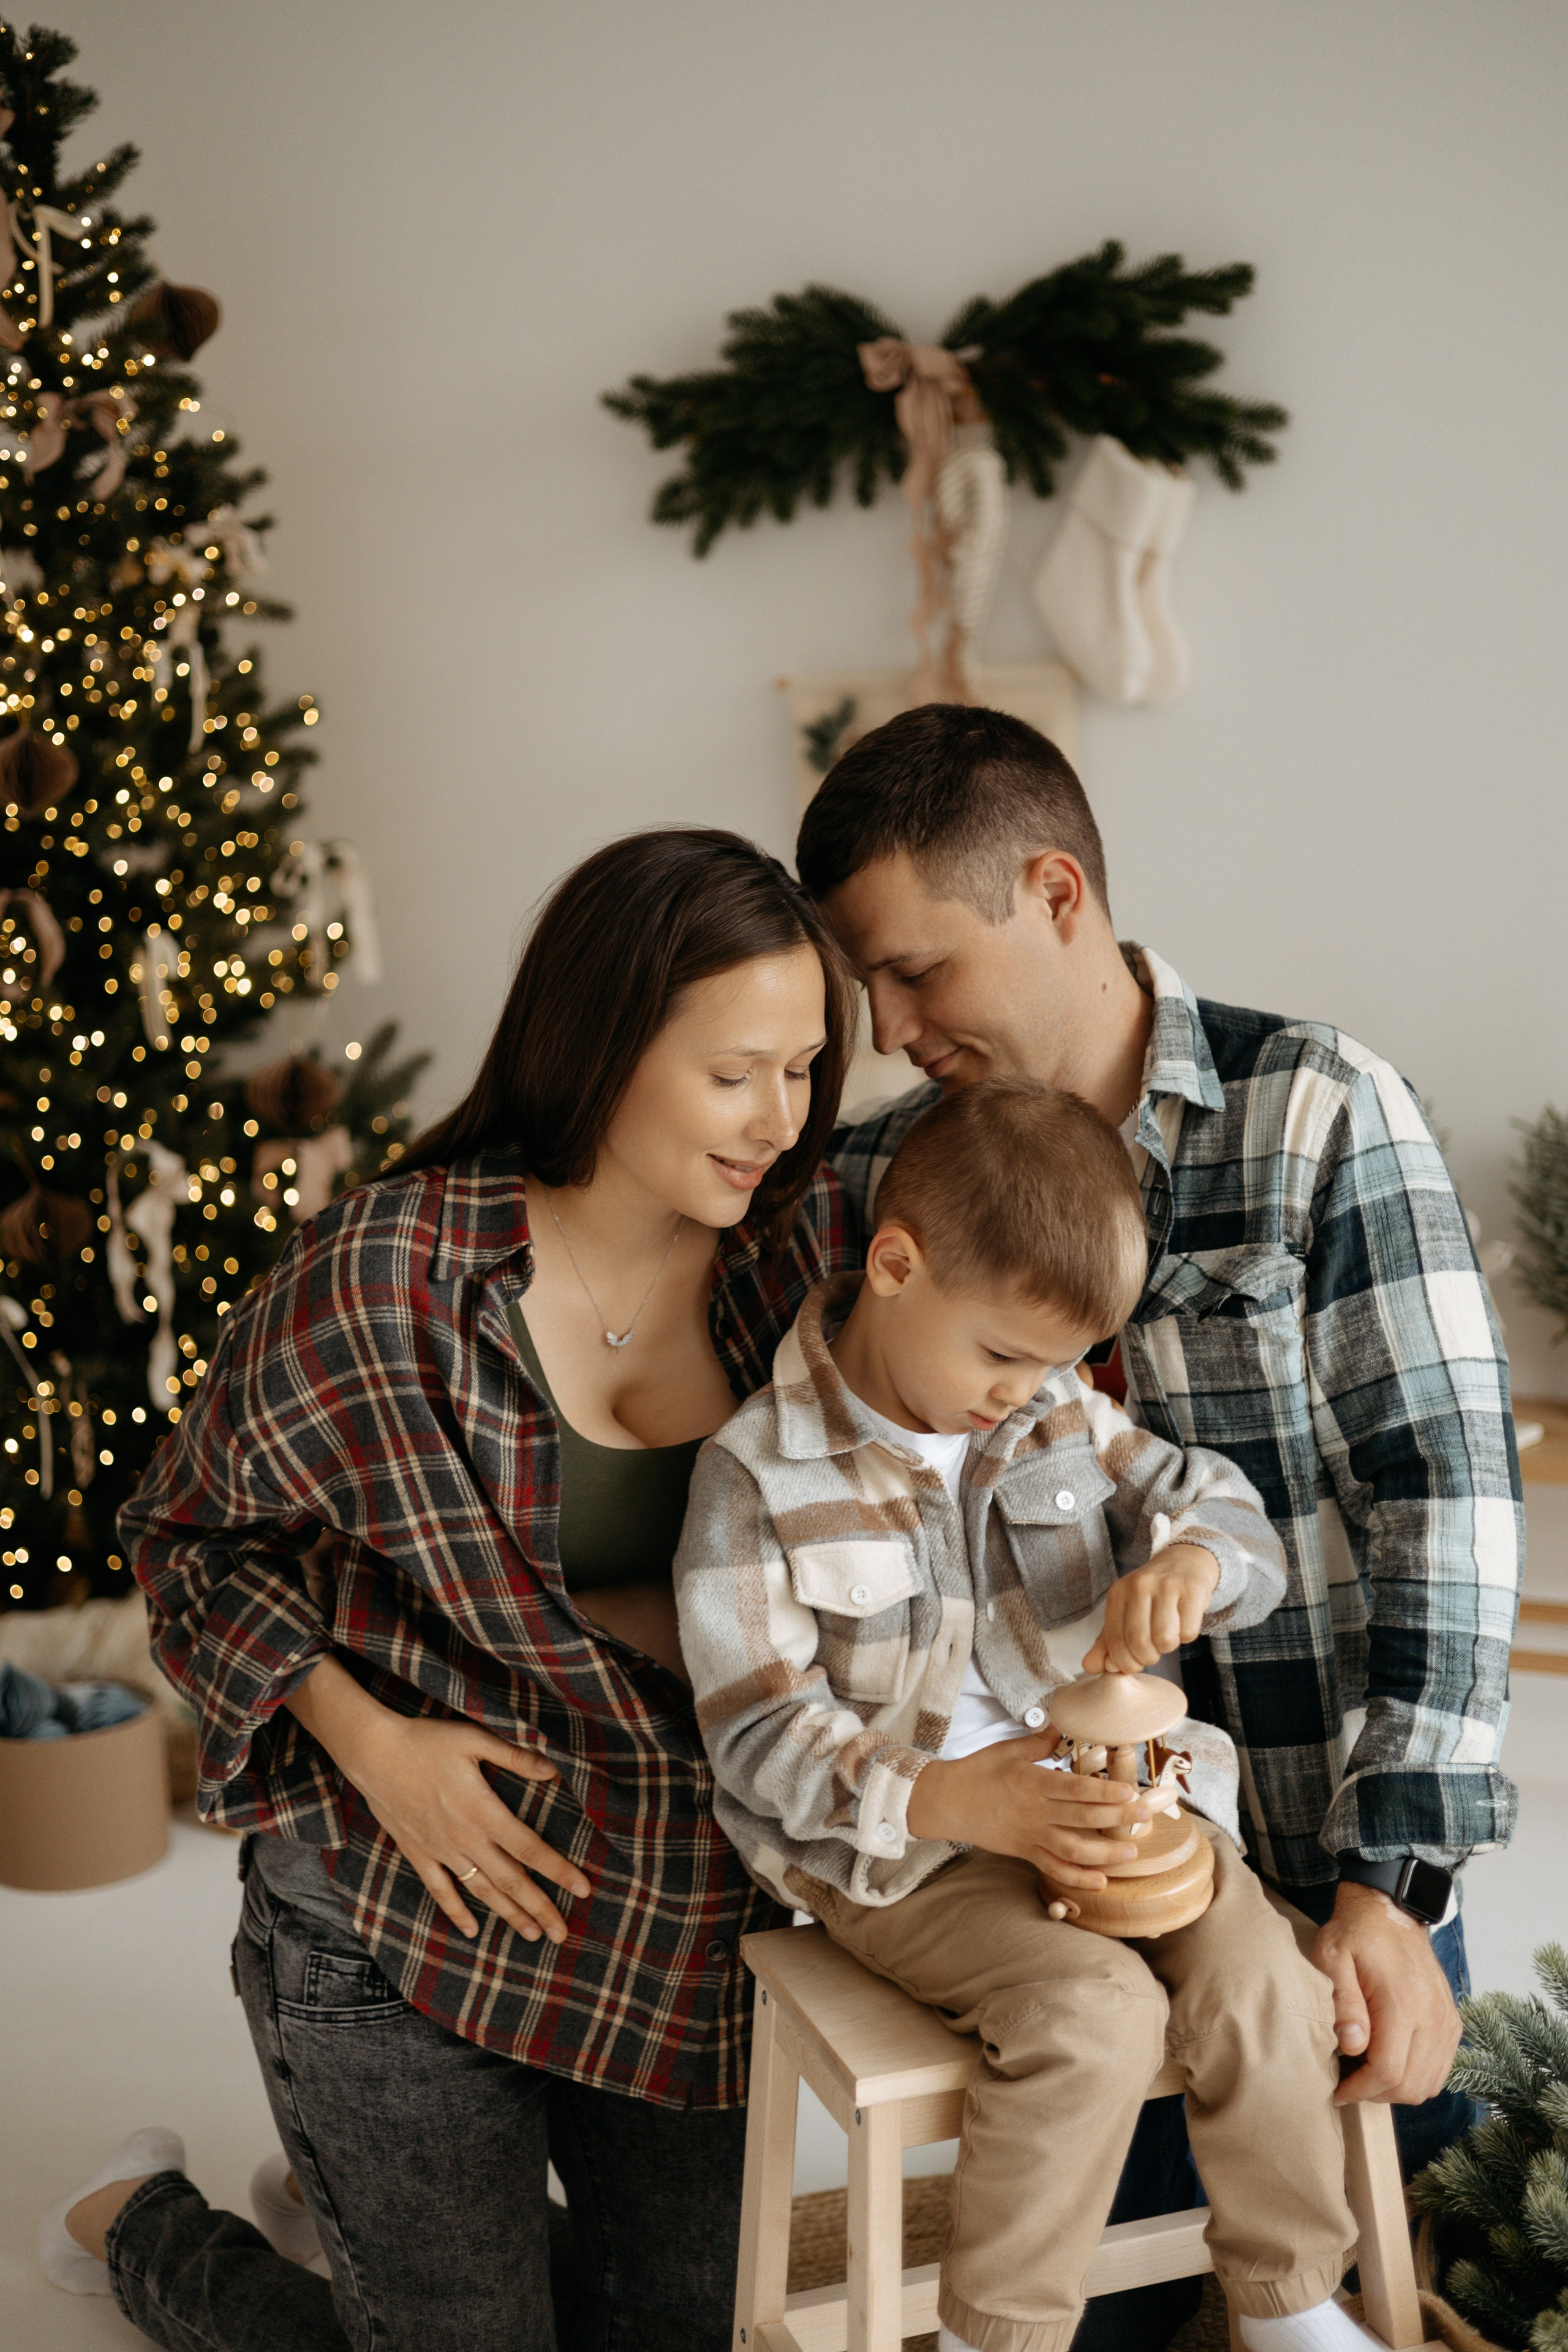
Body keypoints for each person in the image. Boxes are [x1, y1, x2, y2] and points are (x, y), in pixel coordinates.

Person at [40, 827, 860, 2352]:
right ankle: (141, 2224)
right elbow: (189, 1542)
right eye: (734, 1072)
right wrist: (375, 1746)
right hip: (390, 1907)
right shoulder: (386, 1275)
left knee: (686, 2332)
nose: (779, 1118)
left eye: (806, 1069)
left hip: (671, 1916)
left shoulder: (800, 1266)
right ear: (606, 1043)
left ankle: (363, 2222)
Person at [797, 702, 1521, 2182]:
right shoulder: (876, 1175)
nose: (886, 1030)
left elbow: (1441, 1501)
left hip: (1322, 1871)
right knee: (1102, 2298)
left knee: (1408, 2244)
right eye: (863, 983)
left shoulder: (1312, 1108)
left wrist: (1389, 1884)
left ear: (1054, 893)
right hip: (1052, 1897)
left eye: (916, 968)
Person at [675, 1081, 1367, 2352]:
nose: (1021, 1391)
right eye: (998, 1354)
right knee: (1092, 2019)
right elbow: (758, 1737)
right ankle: (1000, 2336)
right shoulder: (755, 1473)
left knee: (1267, 1980)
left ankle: (1287, 2308)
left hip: (1115, 1796)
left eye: (1050, 1362)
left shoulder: (1057, 1414)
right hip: (909, 1851)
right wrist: (955, 1796)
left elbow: (1219, 1507)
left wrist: (1190, 1564)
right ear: (894, 1264)